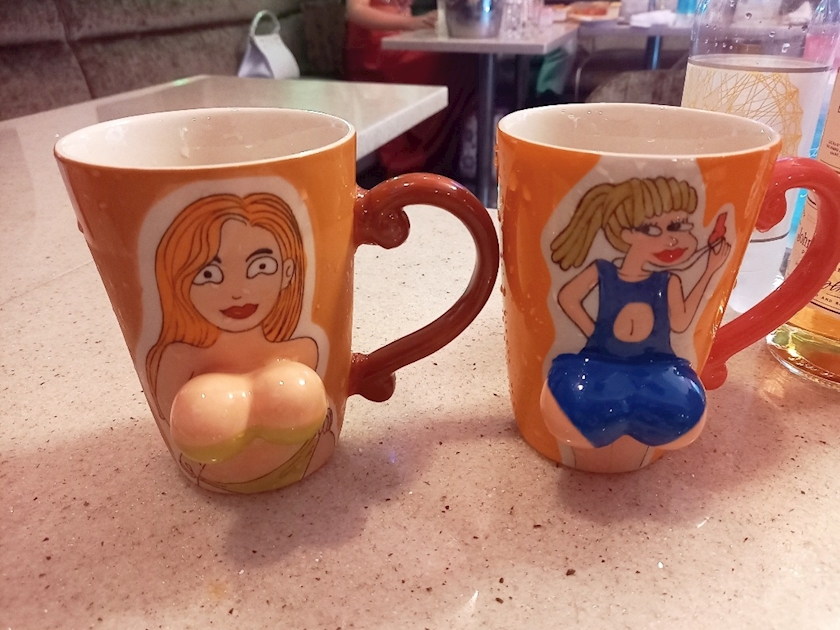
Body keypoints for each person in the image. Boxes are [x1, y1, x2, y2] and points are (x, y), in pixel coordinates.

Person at [145, 192, 334, 492]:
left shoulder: (306, 349)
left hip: (317, 479)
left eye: (261, 267)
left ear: (287, 273)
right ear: (180, 281)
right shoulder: (175, 359)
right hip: (209, 490)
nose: (236, 290)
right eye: (209, 273)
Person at [540, 177, 731, 457]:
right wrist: (595, 334)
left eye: (679, 226)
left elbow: (681, 322)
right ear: (625, 233)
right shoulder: (603, 271)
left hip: (659, 374)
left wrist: (710, 269)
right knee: (571, 400)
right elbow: (568, 297)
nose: (672, 239)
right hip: (598, 371)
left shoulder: (668, 281)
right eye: (652, 229)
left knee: (684, 408)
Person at [345, 0, 477, 178]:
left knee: (467, 62)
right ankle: (426, 159)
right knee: (461, 63)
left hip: (399, 40)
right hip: (375, 51)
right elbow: (355, 11)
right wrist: (413, 23)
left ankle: (437, 157)